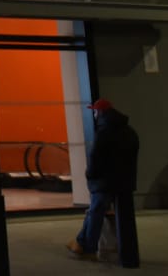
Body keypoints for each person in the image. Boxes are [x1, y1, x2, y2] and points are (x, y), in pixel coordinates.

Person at [68, 98, 140, 260]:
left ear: (100, 112)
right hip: (125, 182)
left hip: (105, 181)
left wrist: (90, 175)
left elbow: (95, 158)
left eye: (94, 111)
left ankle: (88, 248)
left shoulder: (104, 132)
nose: (94, 115)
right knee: (102, 212)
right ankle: (81, 242)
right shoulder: (129, 131)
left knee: (95, 212)